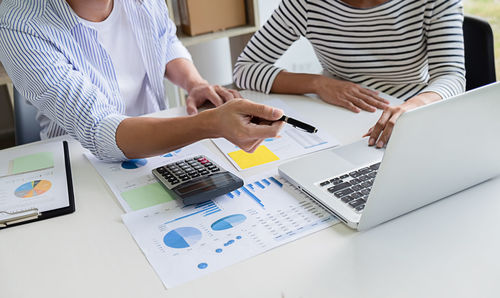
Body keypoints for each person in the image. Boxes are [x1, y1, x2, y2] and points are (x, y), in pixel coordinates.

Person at [0, 0, 284, 161]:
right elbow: (100, 131)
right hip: (81, 161)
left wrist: (194, 82)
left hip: (160, 144)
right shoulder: (18, 23)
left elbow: (164, 39)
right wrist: (211, 124)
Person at [233, 0, 465, 148]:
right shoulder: (305, 3)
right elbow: (246, 69)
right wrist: (318, 84)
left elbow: (451, 75)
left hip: (410, 120)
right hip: (335, 122)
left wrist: (412, 107)